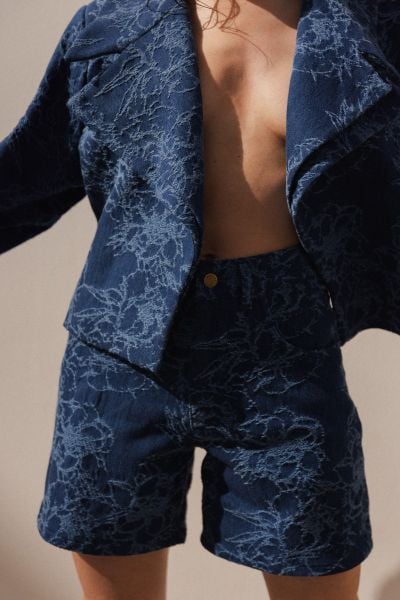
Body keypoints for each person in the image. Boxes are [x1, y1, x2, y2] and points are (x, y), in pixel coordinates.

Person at [5, 0, 400, 598]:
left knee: (322, 554)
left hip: (285, 349)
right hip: (122, 345)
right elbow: (27, 176)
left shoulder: (370, 23)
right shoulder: (112, 25)